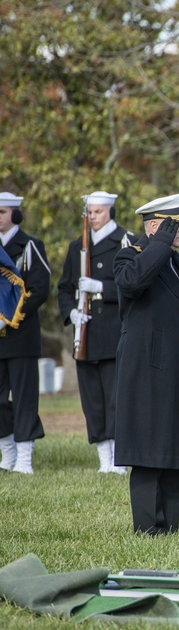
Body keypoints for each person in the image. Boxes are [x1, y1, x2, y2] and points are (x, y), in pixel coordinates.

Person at [113, 193, 179, 534]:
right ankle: (147, 525)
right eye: (176, 226)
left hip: (176, 368)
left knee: (173, 449)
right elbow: (133, 282)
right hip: (146, 368)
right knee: (147, 450)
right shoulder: (129, 256)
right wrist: (160, 242)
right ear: (155, 227)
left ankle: (169, 524)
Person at [57, 190, 137, 474]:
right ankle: (104, 458)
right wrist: (72, 313)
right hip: (87, 333)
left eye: (99, 212)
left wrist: (102, 288)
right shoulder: (78, 246)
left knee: (117, 397)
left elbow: (135, 286)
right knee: (93, 399)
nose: (93, 217)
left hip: (116, 331)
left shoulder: (126, 242)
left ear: (110, 212)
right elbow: (65, 287)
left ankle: (119, 459)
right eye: (90, 212)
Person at [0, 192, 50, 474]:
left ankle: (24, 458)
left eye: (3, 212)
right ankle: (7, 453)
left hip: (21, 335)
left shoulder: (30, 245)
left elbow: (40, 287)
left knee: (24, 398)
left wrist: (12, 315)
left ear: (15, 215)